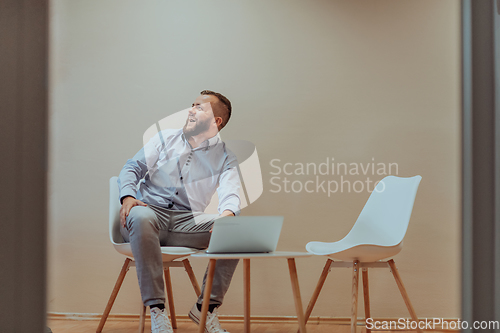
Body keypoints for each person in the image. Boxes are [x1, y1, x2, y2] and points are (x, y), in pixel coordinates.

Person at [118, 90, 240, 333]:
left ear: (217, 121)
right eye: (192, 105)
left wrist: (227, 218)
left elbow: (231, 195)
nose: (191, 110)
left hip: (187, 223)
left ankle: (205, 310)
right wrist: (129, 196)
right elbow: (133, 167)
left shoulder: (226, 156)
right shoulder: (164, 139)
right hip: (148, 214)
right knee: (141, 216)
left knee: (234, 230)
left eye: (200, 107)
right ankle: (157, 310)